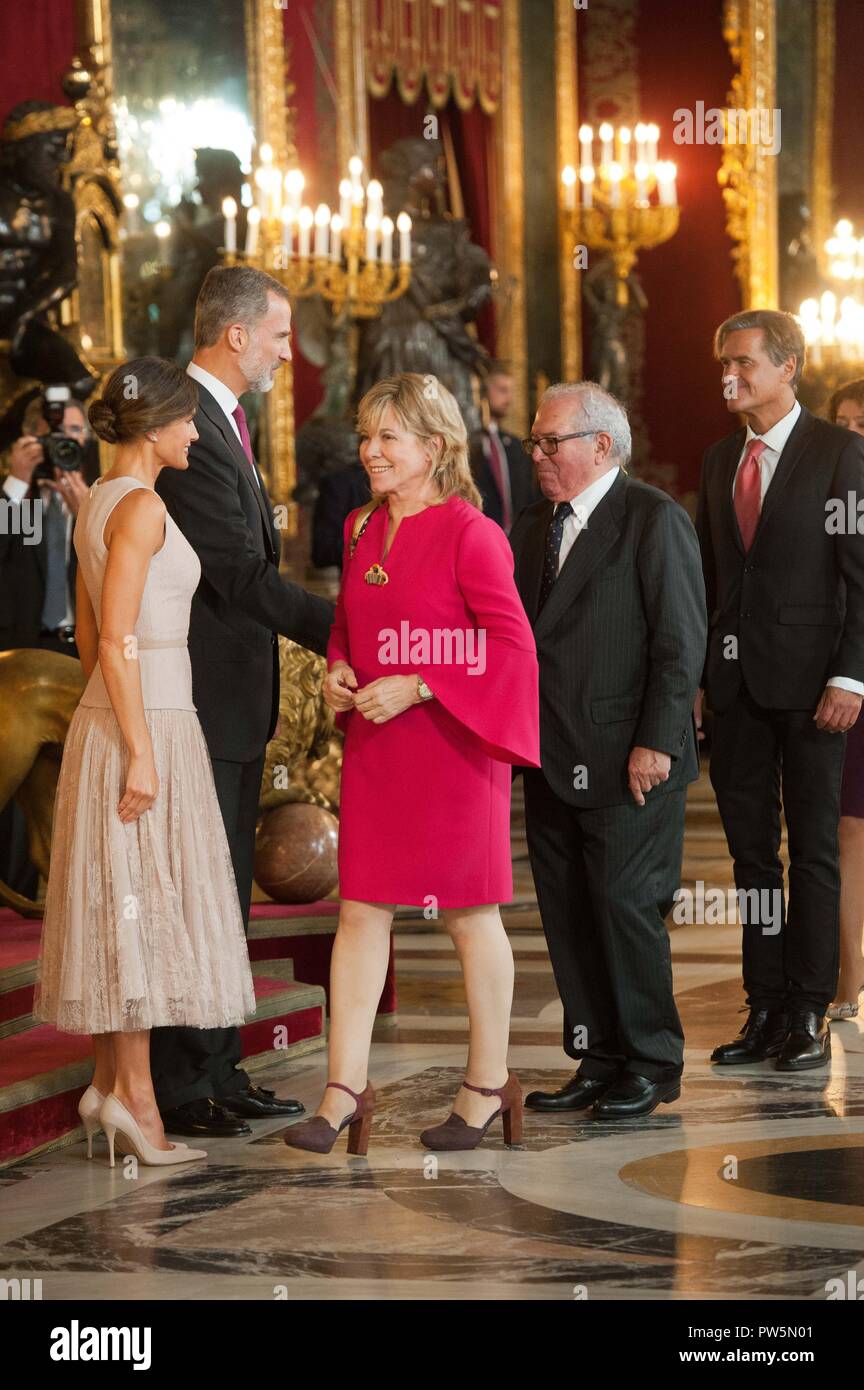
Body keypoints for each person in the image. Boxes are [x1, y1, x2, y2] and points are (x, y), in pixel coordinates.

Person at [282, 372, 540, 1156]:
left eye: (388, 437)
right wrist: (337, 667)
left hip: (453, 751)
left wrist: (423, 684)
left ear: (434, 447)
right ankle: (342, 1089)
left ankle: (488, 1083)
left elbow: (513, 648)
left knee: (469, 916)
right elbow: (352, 629)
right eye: (367, 435)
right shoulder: (360, 527)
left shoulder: (473, 533)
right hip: (378, 747)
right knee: (360, 911)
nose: (370, 450)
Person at [33, 356, 256, 1166]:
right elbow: (118, 641)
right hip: (144, 723)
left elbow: (92, 639)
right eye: (188, 419)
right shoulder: (143, 511)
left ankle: (106, 1083)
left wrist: (118, 732)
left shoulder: (98, 502)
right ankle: (134, 1099)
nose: (197, 431)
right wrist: (137, 751)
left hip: (124, 715)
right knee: (138, 913)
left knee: (126, 904)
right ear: (156, 425)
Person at [152, 265, 334, 1138]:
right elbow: (238, 575)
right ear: (235, 335)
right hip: (200, 701)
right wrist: (348, 628)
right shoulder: (186, 424)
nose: (282, 352)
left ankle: (223, 1069)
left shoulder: (225, 420)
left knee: (226, 894)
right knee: (202, 892)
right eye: (276, 335)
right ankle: (186, 1085)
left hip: (232, 703)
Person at [511, 382, 705, 1119]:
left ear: (601, 445)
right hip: (549, 754)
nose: (537, 455)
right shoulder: (532, 526)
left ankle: (653, 1062)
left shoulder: (653, 518)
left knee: (625, 909)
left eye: (550, 442)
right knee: (568, 913)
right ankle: (596, 1058)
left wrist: (657, 740)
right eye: (534, 441)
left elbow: (681, 643)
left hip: (632, 759)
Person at [696, 310, 864, 1071]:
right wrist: (704, 679)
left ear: (788, 365)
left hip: (816, 690)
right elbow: (712, 584)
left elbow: (861, 577)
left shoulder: (841, 454)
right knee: (752, 859)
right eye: (722, 365)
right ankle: (763, 1005)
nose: (728, 378)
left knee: (816, 856)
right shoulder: (715, 462)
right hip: (737, 692)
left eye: (742, 364)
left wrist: (850, 674)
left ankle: (808, 1011)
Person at [826, 379, 864, 1018]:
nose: (850, 432)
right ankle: (847, 977)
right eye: (842, 422)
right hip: (848, 677)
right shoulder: (829, 493)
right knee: (848, 828)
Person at [469, 362, 538, 532]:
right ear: (483, 392)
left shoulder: (515, 445)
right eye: (502, 390)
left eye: (510, 391)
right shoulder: (468, 443)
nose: (509, 398)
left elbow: (527, 497)